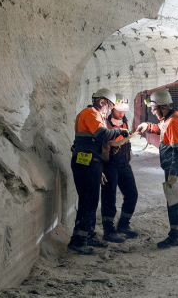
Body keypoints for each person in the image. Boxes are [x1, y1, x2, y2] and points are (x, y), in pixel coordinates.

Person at [68, 88, 130, 254]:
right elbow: (102, 134)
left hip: (91, 162)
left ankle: (88, 234)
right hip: (86, 162)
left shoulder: (95, 115)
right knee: (88, 200)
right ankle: (78, 241)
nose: (109, 110)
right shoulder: (91, 113)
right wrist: (119, 131)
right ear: (103, 102)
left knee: (92, 199)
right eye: (109, 106)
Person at [136, 89, 178, 248]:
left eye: (154, 109)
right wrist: (147, 126)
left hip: (176, 166)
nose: (153, 113)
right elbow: (162, 128)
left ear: (162, 107)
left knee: (174, 200)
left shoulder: (173, 122)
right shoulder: (170, 118)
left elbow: (177, 151)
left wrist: (172, 175)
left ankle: (176, 236)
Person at [100, 96, 139, 242]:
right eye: (119, 111)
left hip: (124, 164)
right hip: (110, 165)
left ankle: (123, 224)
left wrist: (128, 151)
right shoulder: (104, 121)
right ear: (112, 108)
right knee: (109, 198)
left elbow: (126, 137)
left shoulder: (124, 120)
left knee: (132, 194)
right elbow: (101, 142)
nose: (122, 114)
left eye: (124, 111)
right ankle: (108, 231)